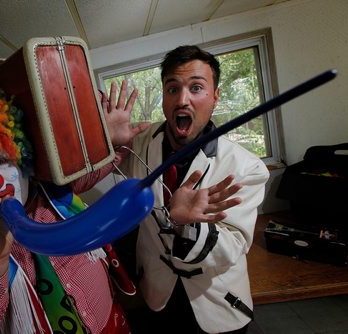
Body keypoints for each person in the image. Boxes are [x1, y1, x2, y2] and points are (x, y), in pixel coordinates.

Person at [0, 72, 242, 333]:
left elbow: (94, 169)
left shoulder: (51, 188)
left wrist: (112, 142)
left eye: (2, 161)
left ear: (24, 161)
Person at [110, 45, 270, 333]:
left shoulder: (247, 167)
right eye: (172, 89)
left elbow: (232, 247)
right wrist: (111, 144)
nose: (182, 100)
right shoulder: (141, 139)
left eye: (196, 88)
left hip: (216, 303)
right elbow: (105, 168)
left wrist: (187, 226)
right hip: (157, 295)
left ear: (215, 97)